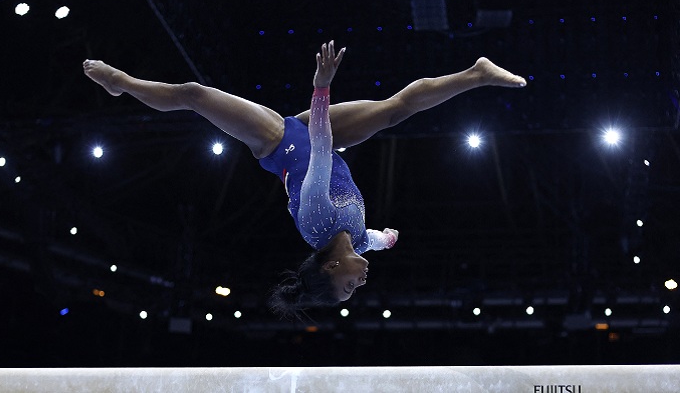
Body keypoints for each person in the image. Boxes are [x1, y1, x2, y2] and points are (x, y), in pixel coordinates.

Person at [83, 41, 526, 318]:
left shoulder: (317, 222)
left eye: (349, 285)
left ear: (331, 266)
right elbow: (374, 239)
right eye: (356, 289)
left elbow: (317, 144)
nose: (361, 283)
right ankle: (476, 74)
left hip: (280, 141)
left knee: (195, 95)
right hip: (321, 141)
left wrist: (321, 87)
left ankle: (122, 82)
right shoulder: (354, 240)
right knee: (396, 109)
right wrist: (387, 239)